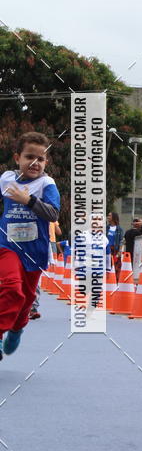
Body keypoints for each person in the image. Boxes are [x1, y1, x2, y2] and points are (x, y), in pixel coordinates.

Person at [0, 131, 60, 360]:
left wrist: (29, 200)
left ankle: (17, 328)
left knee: (25, 300)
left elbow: (53, 213)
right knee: (11, 287)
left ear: (47, 162)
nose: (35, 163)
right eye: (29, 157)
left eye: (41, 159)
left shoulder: (47, 184)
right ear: (17, 158)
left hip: (35, 251)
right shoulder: (6, 179)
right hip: (7, 247)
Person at [106, 212, 123, 281]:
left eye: (109, 215)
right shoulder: (106, 228)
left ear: (114, 217)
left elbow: (121, 241)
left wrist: (119, 252)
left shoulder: (119, 229)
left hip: (115, 251)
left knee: (116, 267)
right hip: (106, 250)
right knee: (106, 266)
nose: (108, 217)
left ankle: (115, 282)